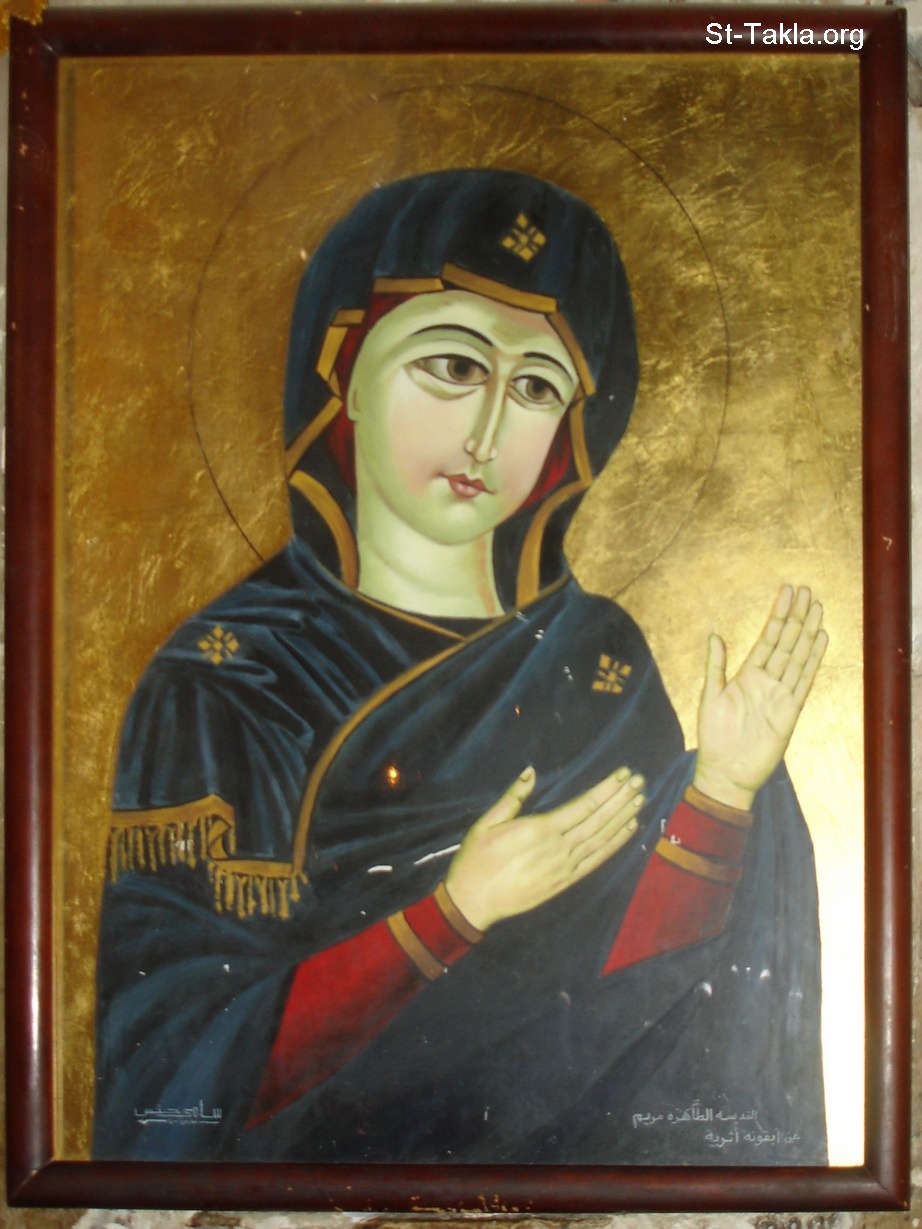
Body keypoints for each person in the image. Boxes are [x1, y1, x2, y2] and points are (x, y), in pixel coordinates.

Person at [94, 169, 828, 1165]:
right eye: (451, 365)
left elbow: (642, 1023)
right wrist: (452, 912)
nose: (487, 434)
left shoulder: (597, 658)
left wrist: (723, 795)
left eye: (534, 388)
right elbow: (170, 1084)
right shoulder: (227, 678)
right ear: (346, 372)